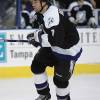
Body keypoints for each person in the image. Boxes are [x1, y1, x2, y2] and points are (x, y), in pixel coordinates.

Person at [27, 0, 82, 100]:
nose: (32, 4)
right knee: (37, 66)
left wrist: (38, 38)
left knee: (60, 81)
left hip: (68, 52)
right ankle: (44, 95)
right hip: (54, 47)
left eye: (35, 2)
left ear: (43, 2)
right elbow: (49, 32)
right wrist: (37, 37)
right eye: (32, 2)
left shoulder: (52, 16)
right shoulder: (42, 13)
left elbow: (57, 40)